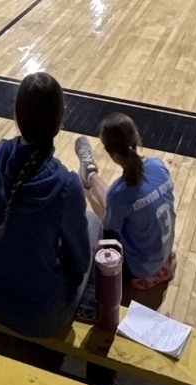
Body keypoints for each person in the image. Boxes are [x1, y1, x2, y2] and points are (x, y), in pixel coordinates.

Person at [0, 72, 95, 340]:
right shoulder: (67, 186)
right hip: (40, 315)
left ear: (17, 117)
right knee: (94, 225)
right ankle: (90, 308)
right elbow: (80, 262)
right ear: (60, 121)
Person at [74, 114, 176, 304]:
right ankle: (89, 172)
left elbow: (109, 225)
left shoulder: (118, 194)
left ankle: (89, 171)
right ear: (137, 138)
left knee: (94, 226)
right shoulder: (159, 166)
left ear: (110, 153)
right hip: (164, 252)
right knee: (121, 205)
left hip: (139, 268)